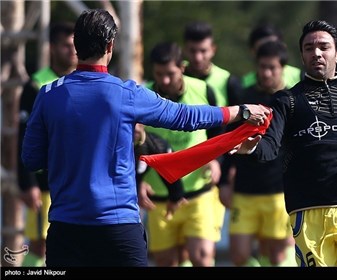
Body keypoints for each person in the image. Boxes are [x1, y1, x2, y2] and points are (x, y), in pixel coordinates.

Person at [21, 9, 270, 267]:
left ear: (75, 45)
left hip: (66, 227)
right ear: (110, 45)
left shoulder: (48, 94)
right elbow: (184, 117)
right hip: (117, 228)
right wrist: (239, 112)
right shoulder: (125, 93)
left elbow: (31, 158)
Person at [233, 20, 337, 267]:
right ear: (302, 56)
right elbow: (270, 146)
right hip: (309, 210)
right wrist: (253, 149)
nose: (316, 53)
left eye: (324, 47)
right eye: (308, 48)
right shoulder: (286, 100)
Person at [139, 41, 224, 267]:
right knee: (166, 261)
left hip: (199, 192)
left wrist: (217, 160)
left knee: (202, 256)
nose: (164, 80)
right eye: (159, 74)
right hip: (158, 195)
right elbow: (135, 143)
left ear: (182, 68)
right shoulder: (143, 97)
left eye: (170, 74)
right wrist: (137, 180)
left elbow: (219, 132)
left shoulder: (204, 90)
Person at [219, 41, 296, 267]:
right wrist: (224, 181)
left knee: (279, 255)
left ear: (283, 68)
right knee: (239, 255)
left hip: (279, 190)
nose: (266, 72)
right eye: (262, 67)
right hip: (245, 188)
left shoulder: (292, 100)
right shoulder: (246, 98)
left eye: (272, 67)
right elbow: (229, 141)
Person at [17, 21, 77, 267]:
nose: (72, 50)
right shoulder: (36, 85)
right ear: (52, 47)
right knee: (42, 246)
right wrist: (27, 182)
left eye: (76, 45)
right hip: (45, 184)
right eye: (66, 45)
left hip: (77, 180)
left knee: (75, 245)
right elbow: (22, 136)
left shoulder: (85, 81)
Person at [183, 21, 242, 263]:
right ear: (185, 50)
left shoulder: (228, 81)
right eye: (193, 50)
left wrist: (227, 171)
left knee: (203, 250)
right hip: (178, 175)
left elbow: (236, 131)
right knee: (172, 252)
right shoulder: (175, 78)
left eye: (204, 50)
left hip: (214, 176)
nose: (198, 57)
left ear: (213, 49)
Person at [242, 22, 303, 89]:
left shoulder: (301, 78)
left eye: (273, 46)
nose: (268, 51)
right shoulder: (243, 85)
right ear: (252, 51)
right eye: (262, 49)